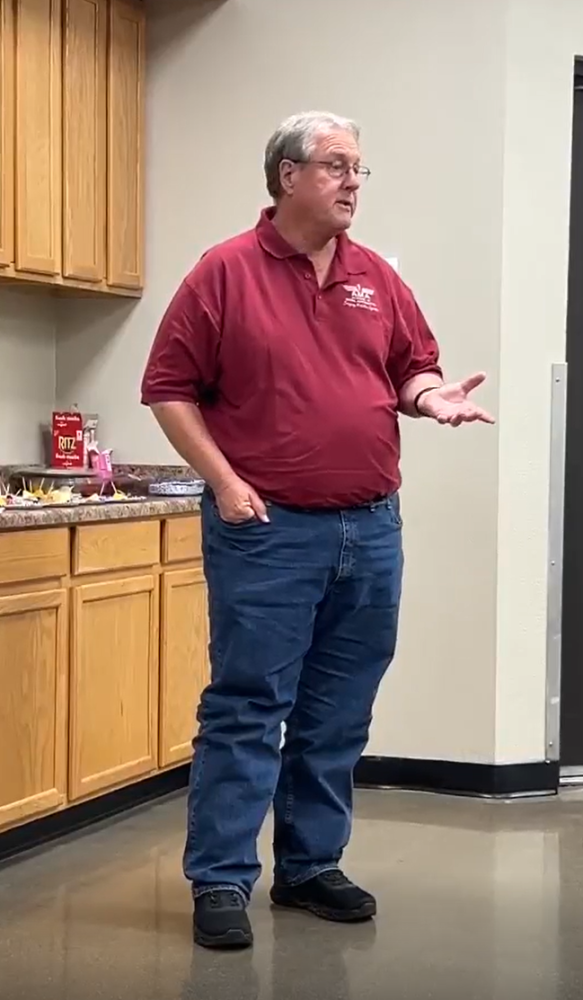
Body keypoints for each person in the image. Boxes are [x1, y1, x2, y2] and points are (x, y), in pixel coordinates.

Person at [141, 110, 494, 951]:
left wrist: (430, 396)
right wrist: (224, 483)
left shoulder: (375, 275)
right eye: (336, 166)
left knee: (338, 713)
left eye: (359, 169)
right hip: (267, 531)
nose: (351, 183)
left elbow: (412, 363)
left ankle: (308, 868)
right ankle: (222, 879)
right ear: (287, 175)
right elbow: (167, 387)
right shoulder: (223, 272)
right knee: (247, 707)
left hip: (369, 530)